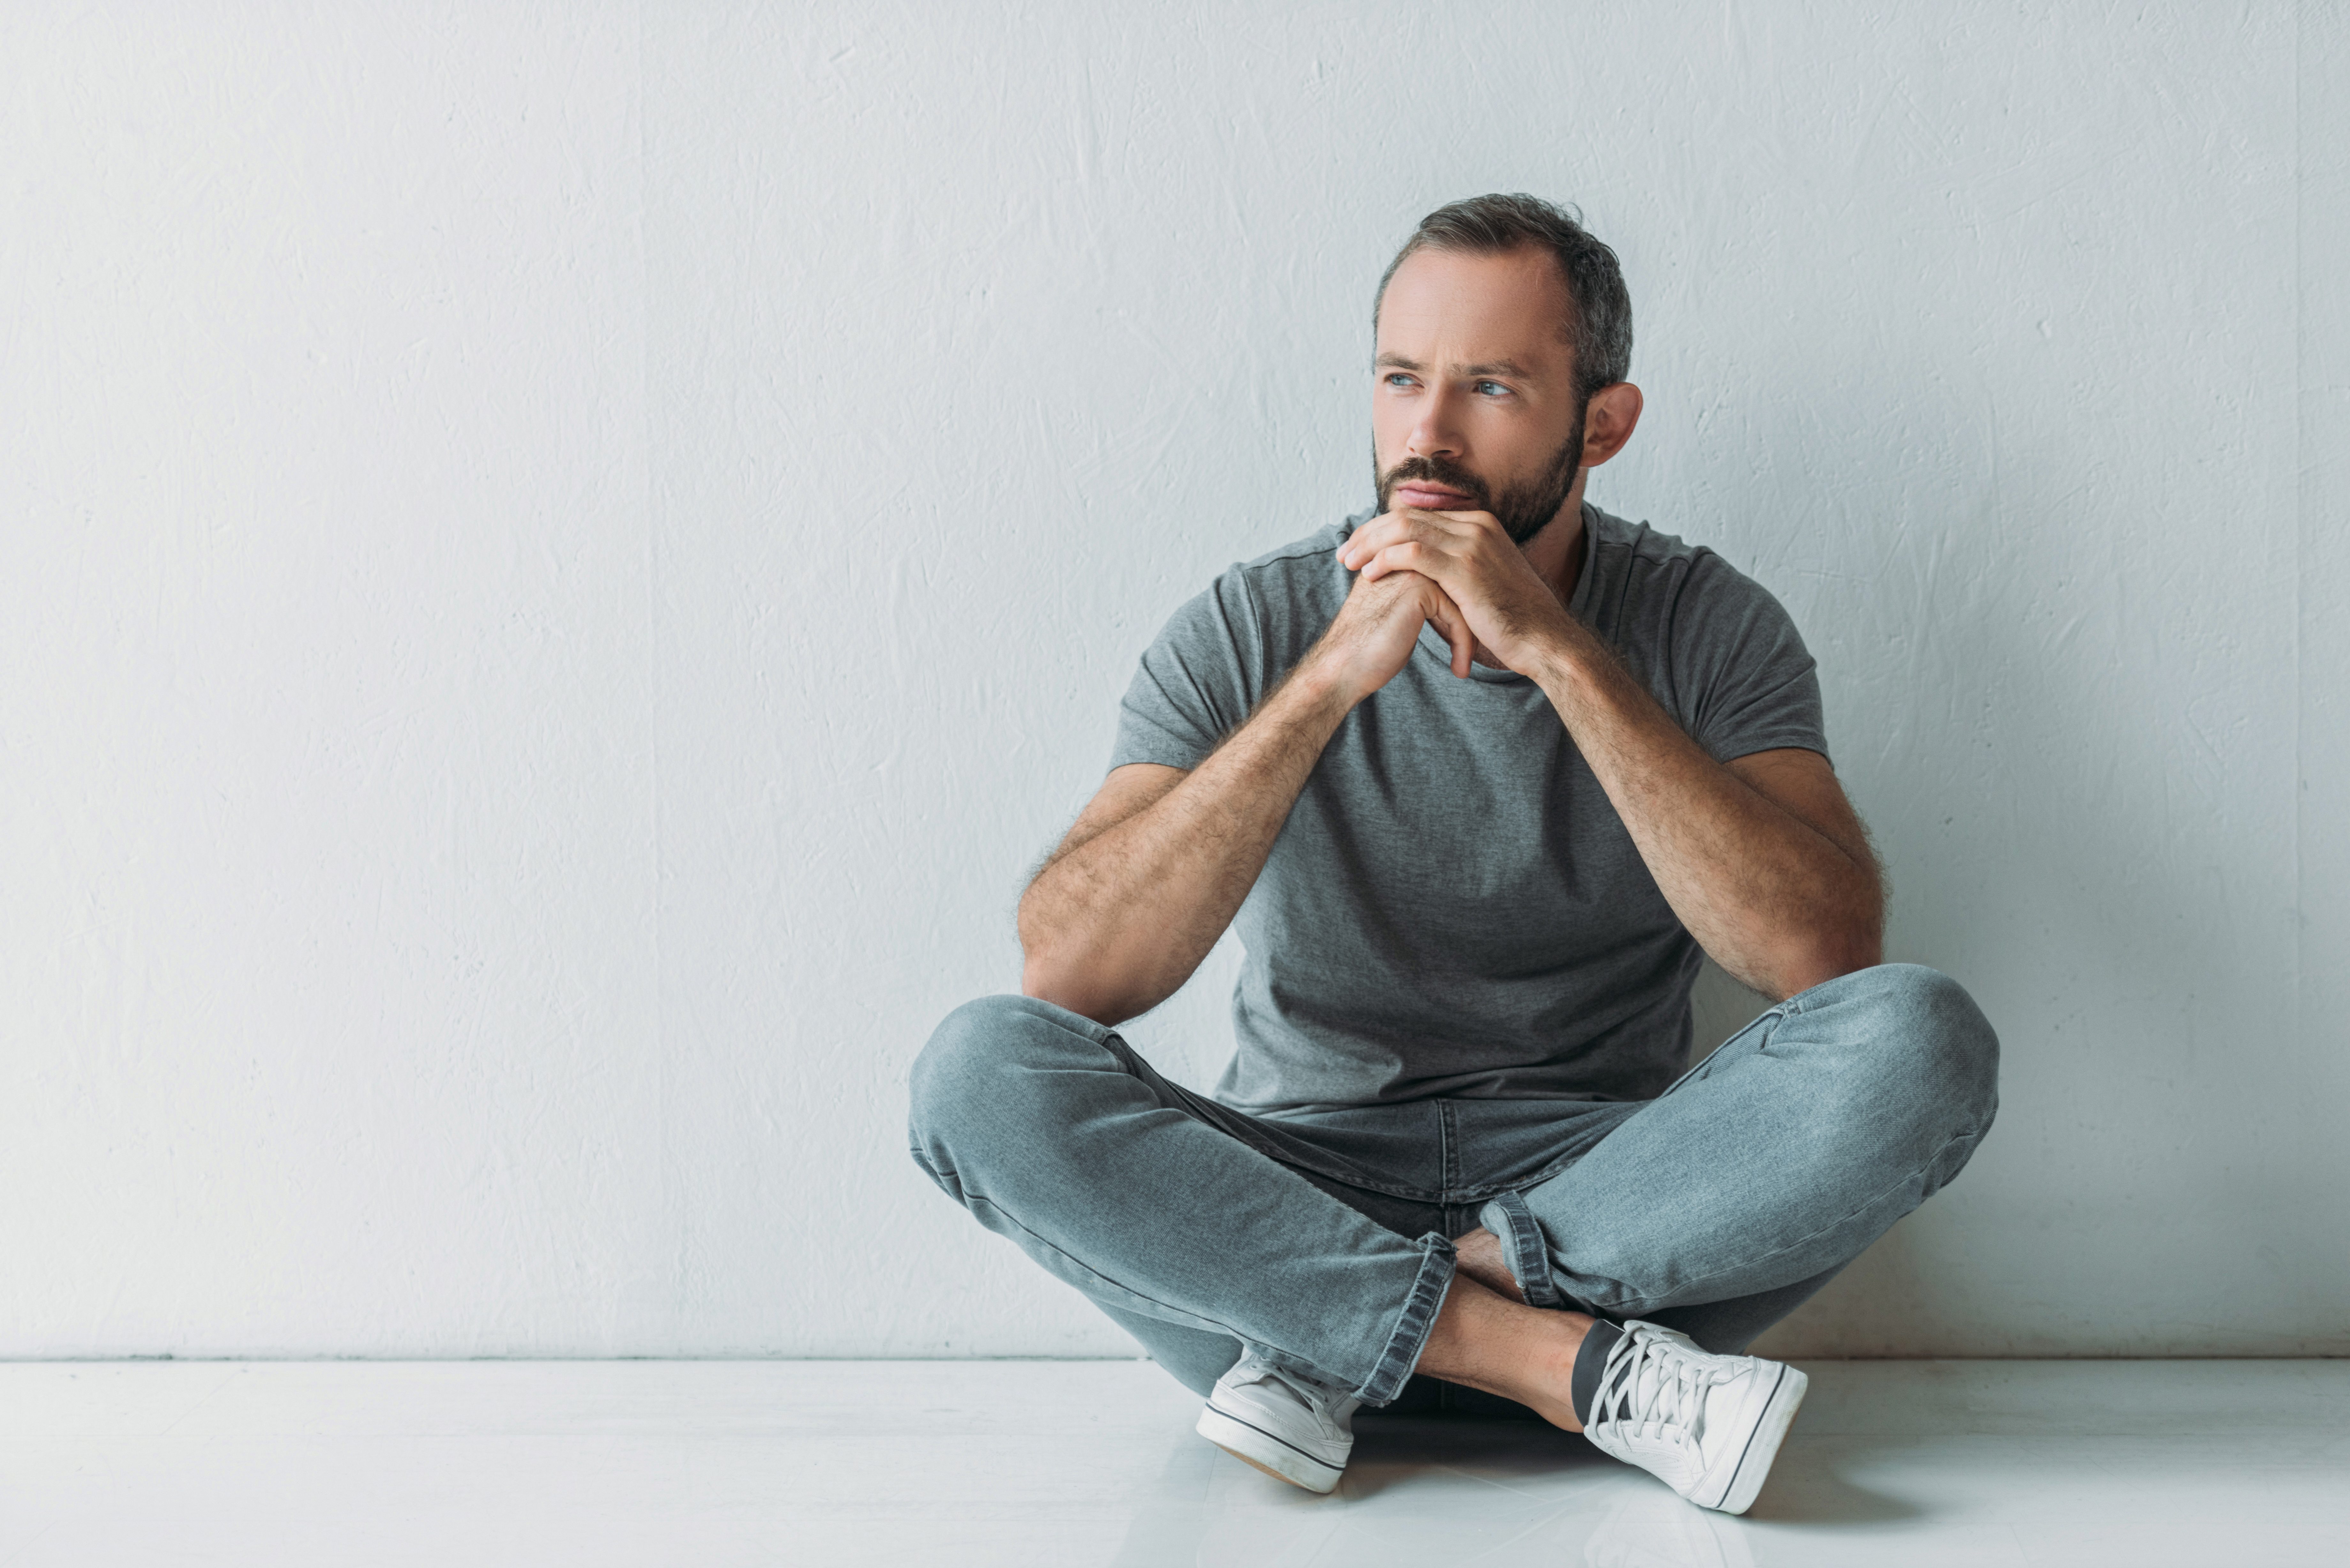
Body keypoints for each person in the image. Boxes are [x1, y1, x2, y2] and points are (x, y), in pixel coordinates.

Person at [907, 193, 1998, 1515]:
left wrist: (1553, 648)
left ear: (1602, 422)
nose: (1425, 433)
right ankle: (1552, 1368)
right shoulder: (1255, 621)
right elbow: (1068, 968)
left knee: (1922, 1034)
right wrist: (1321, 688)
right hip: (1293, 1203)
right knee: (976, 1068)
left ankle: (1378, 1335)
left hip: (1617, 1222)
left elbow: (1822, 959)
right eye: (1400, 379)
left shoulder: (1705, 623)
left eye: (1488, 385)